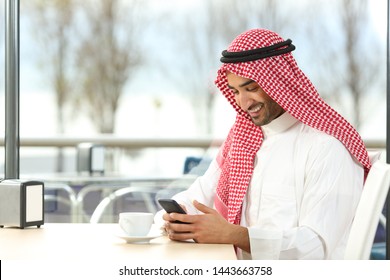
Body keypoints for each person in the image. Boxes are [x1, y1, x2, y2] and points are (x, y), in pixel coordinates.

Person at [155, 28, 371, 260]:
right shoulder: (242, 138)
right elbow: (197, 196)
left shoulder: (327, 147)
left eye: (251, 88)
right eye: (235, 91)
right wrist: (176, 218)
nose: (244, 102)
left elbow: (314, 246)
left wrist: (236, 236)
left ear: (280, 83)